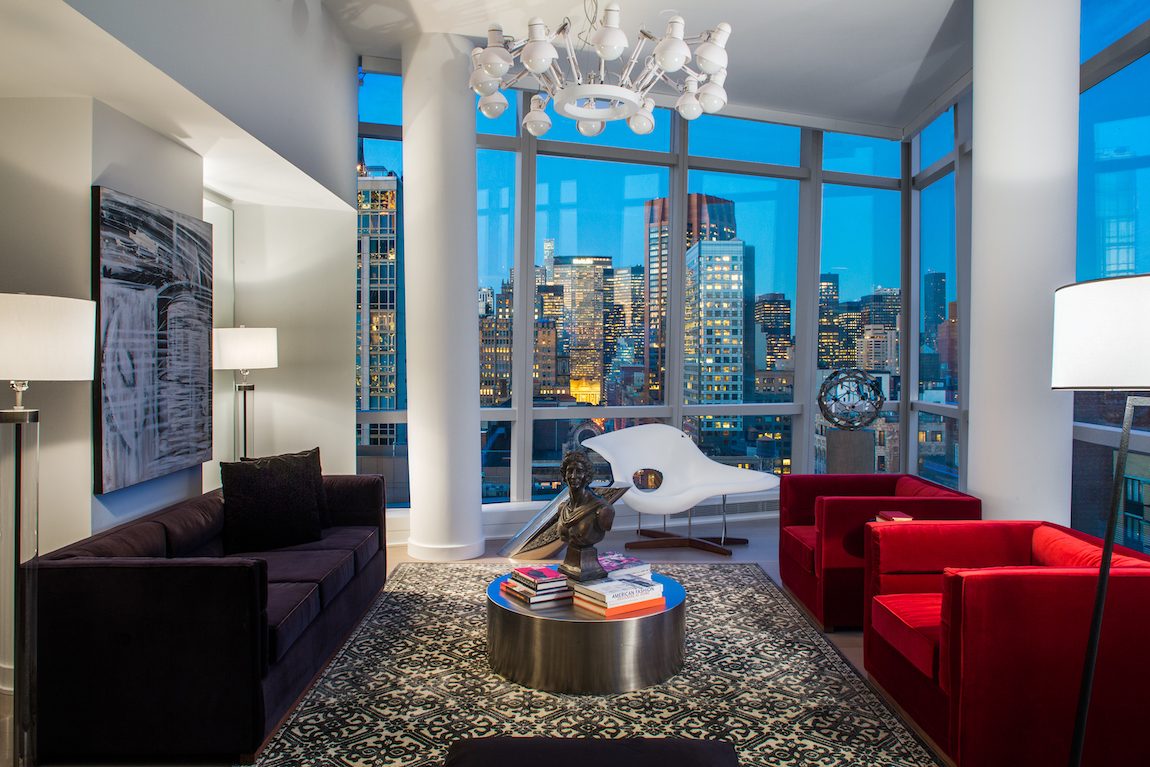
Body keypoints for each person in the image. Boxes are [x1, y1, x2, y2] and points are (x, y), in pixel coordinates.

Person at [557, 450, 615, 549]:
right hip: (569, 559)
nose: (573, 476)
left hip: (588, 559)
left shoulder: (603, 510)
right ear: (564, 476)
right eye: (570, 471)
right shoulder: (562, 508)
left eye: (579, 471)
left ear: (587, 476)